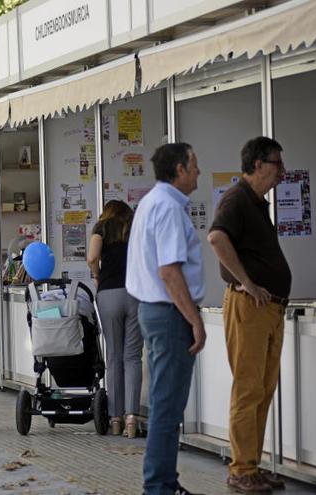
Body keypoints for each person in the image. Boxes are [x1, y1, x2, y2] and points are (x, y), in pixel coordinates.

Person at [208, 137, 291, 493]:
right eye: (277, 164)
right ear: (258, 165)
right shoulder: (237, 199)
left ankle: (252, 466)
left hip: (269, 308)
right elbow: (216, 238)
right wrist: (248, 282)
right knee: (248, 389)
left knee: (262, 389)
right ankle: (241, 469)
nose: (282, 173)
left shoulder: (258, 203)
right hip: (250, 308)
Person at [126, 143, 205, 495]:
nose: (199, 173)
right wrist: (195, 319)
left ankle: (165, 482)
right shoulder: (169, 208)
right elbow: (170, 271)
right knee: (167, 404)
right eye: (194, 166)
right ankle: (158, 485)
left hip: (154, 310)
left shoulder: (150, 203)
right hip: (169, 313)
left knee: (165, 401)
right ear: (179, 170)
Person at [87, 199, 142, 438]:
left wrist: (97, 275)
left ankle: (115, 417)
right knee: (133, 357)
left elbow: (92, 257)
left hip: (109, 293)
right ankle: (132, 417)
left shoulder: (101, 227)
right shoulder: (136, 226)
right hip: (136, 293)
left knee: (114, 356)